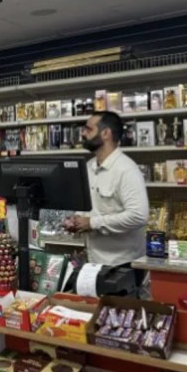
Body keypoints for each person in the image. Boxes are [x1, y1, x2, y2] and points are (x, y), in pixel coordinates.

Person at [69, 111, 149, 267]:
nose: (83, 133)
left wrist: (93, 223)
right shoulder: (89, 167)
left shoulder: (126, 169)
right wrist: (76, 221)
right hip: (93, 261)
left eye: (88, 129)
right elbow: (91, 210)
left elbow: (139, 216)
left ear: (106, 133)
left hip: (123, 264)